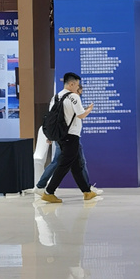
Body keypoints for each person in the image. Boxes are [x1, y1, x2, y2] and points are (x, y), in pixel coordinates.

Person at [40, 73, 98, 203]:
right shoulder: (74, 97)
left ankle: (86, 192)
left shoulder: (55, 97)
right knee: (64, 165)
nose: (78, 87)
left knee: (76, 165)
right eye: (77, 85)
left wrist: (50, 136)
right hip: (71, 136)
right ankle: (49, 192)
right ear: (72, 84)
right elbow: (81, 115)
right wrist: (89, 109)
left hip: (60, 136)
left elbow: (51, 118)